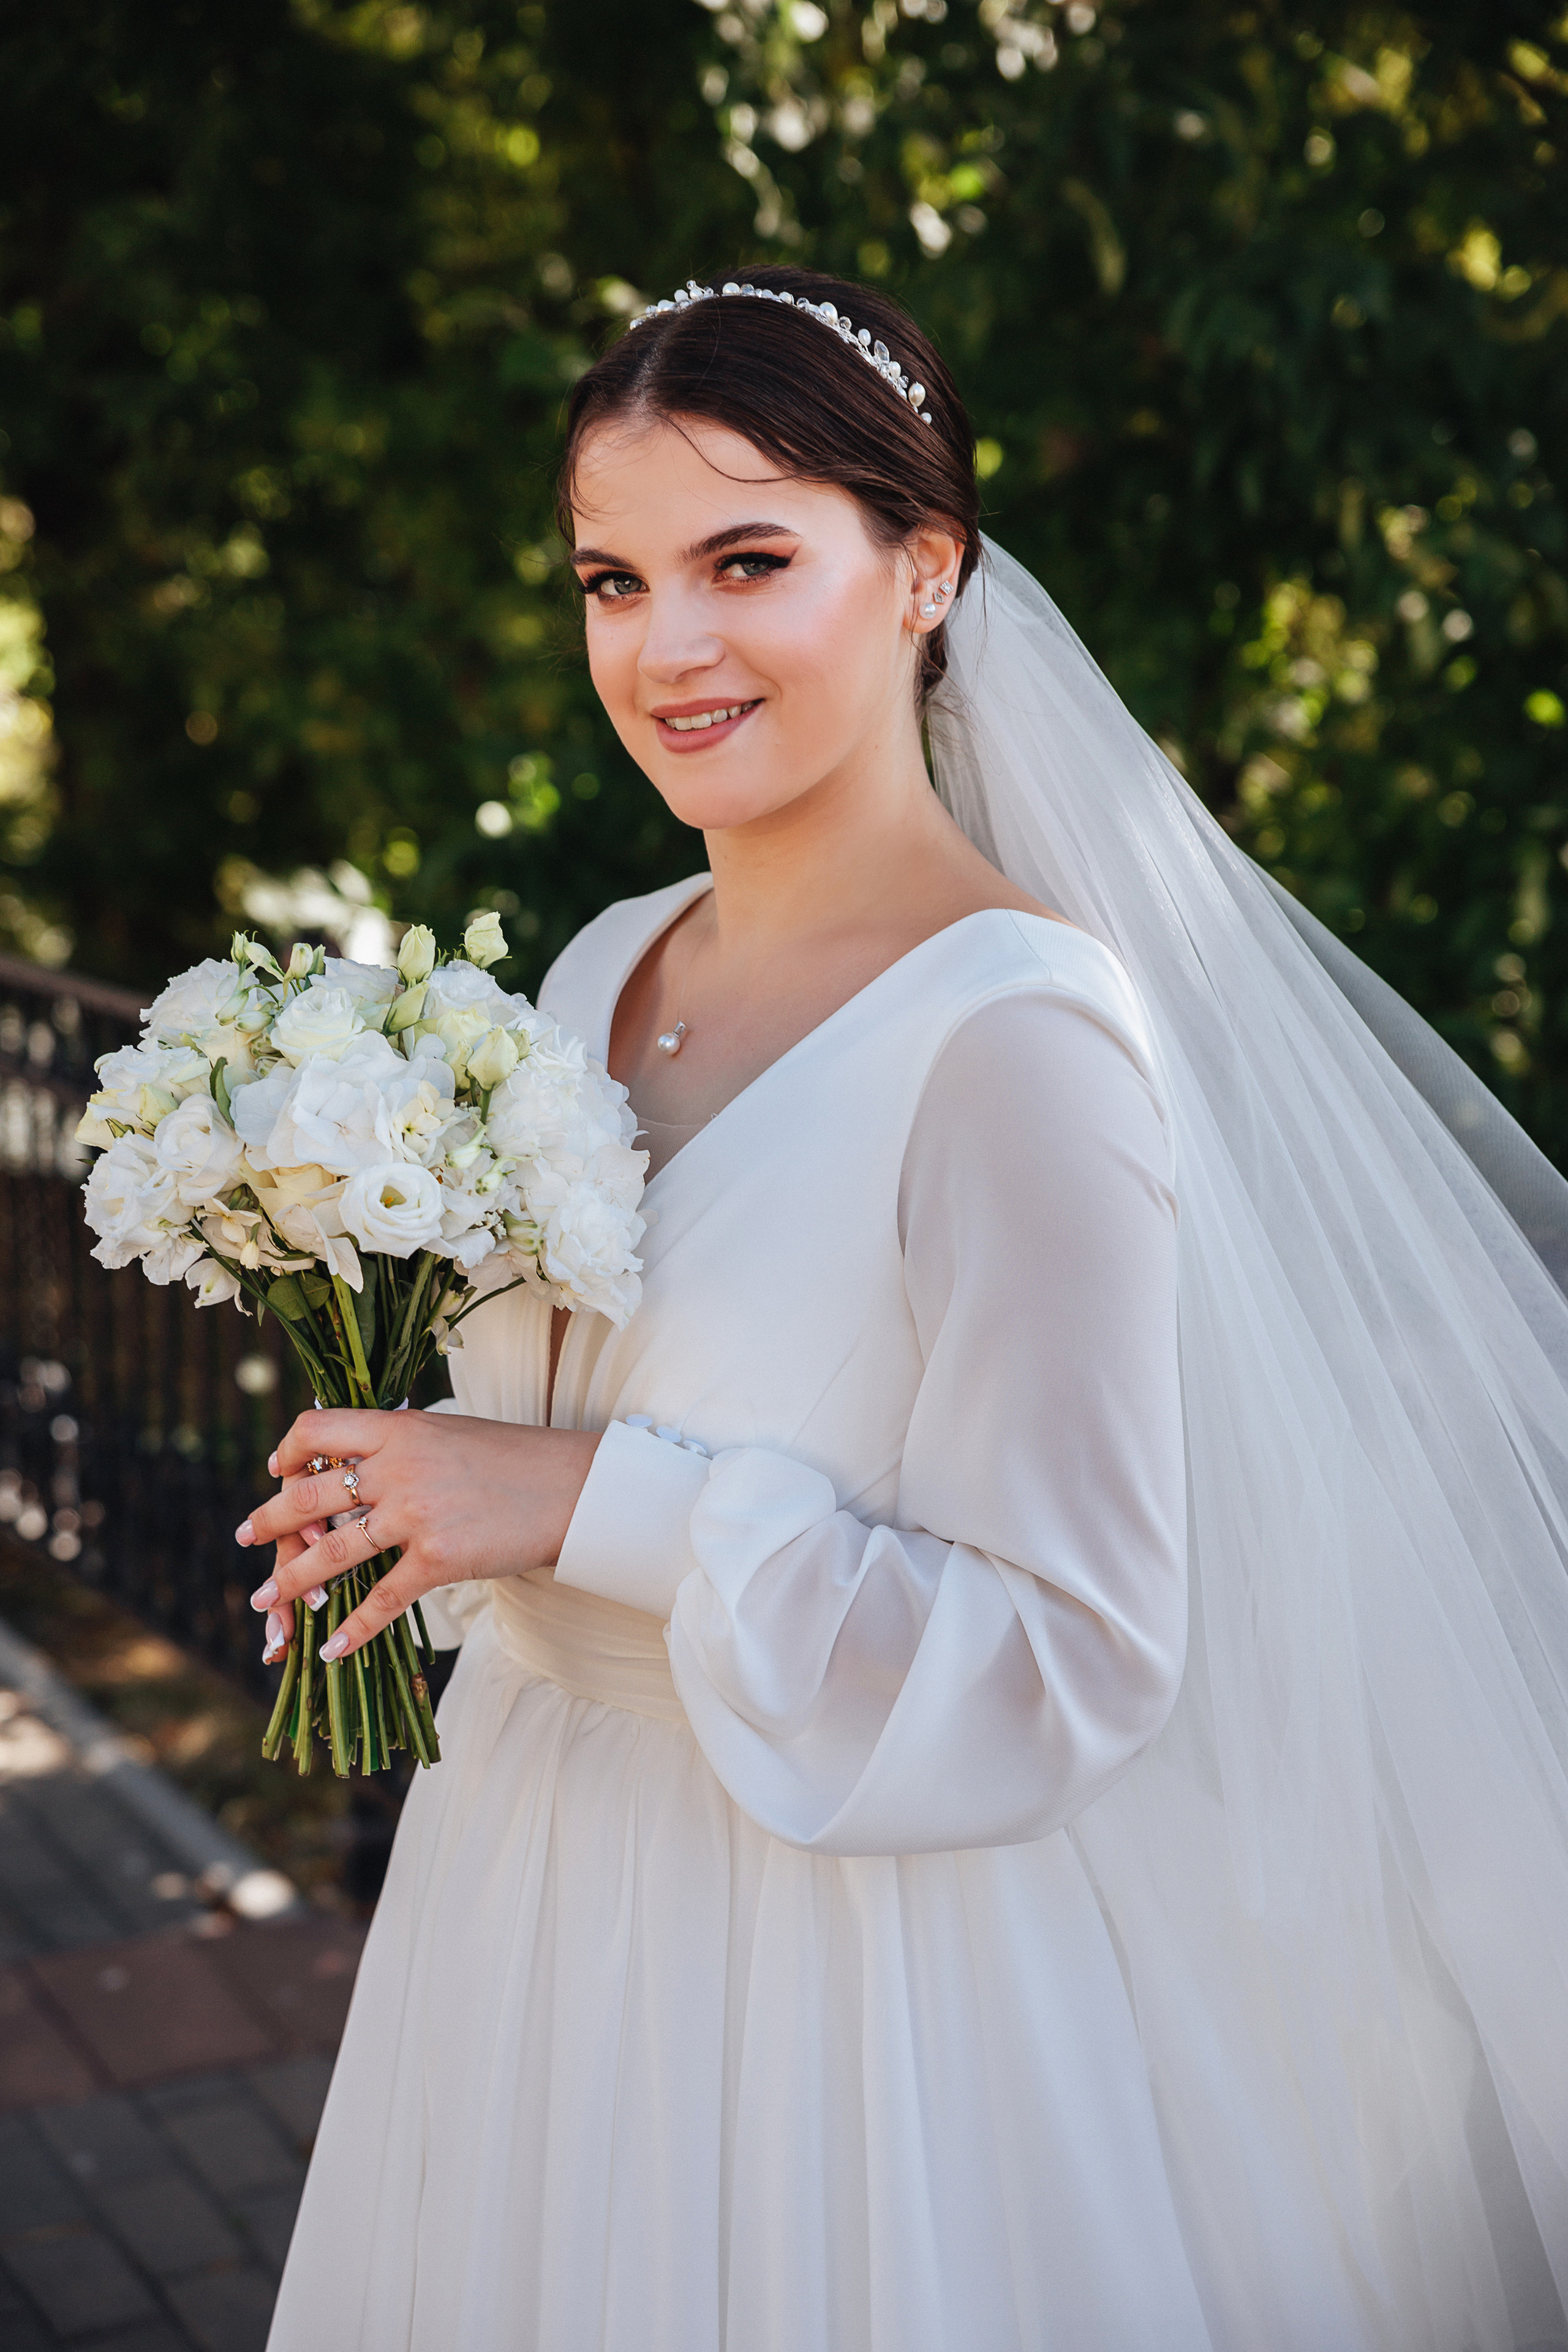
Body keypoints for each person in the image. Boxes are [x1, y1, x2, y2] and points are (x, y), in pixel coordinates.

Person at [256, 269, 1568, 2351]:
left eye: (746, 559)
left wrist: (581, 1501)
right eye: (613, 579)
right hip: (528, 1894)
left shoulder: (1022, 1040)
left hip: (848, 1975)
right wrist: (408, 1497)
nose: (665, 644)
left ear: (925, 569)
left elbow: (1077, 1650)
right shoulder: (589, 972)